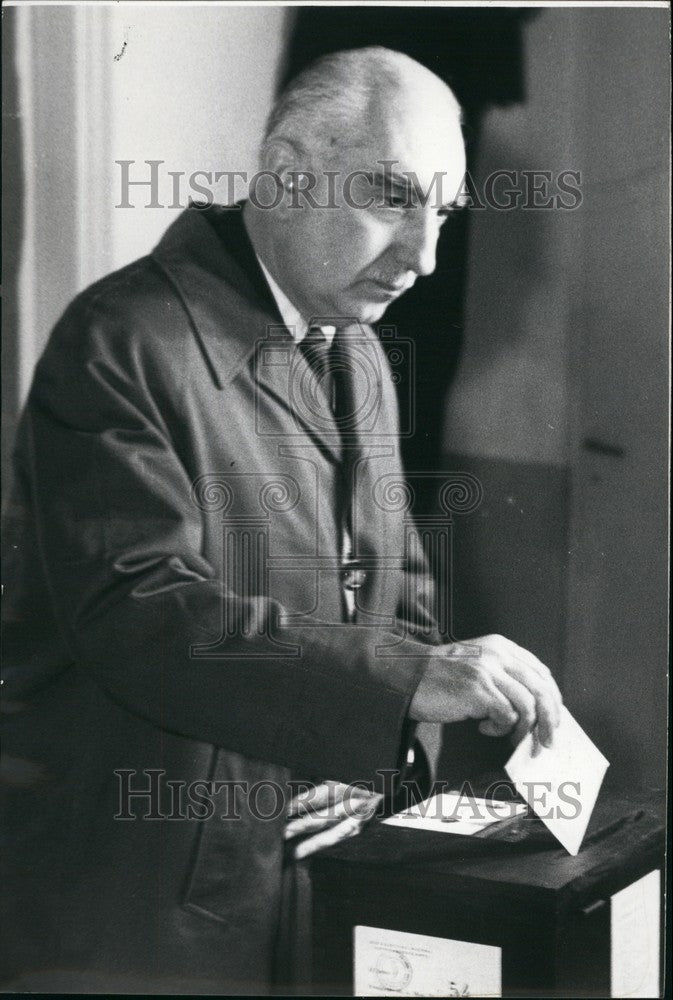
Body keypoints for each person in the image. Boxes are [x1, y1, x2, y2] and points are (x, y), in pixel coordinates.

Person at [1, 47, 562, 993]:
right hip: (132, 902)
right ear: (287, 169)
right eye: (392, 196)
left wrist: (381, 748)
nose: (423, 258)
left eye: (444, 214)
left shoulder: (360, 350)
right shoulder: (121, 341)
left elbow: (399, 584)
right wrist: (403, 681)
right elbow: (145, 616)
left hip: (304, 882)